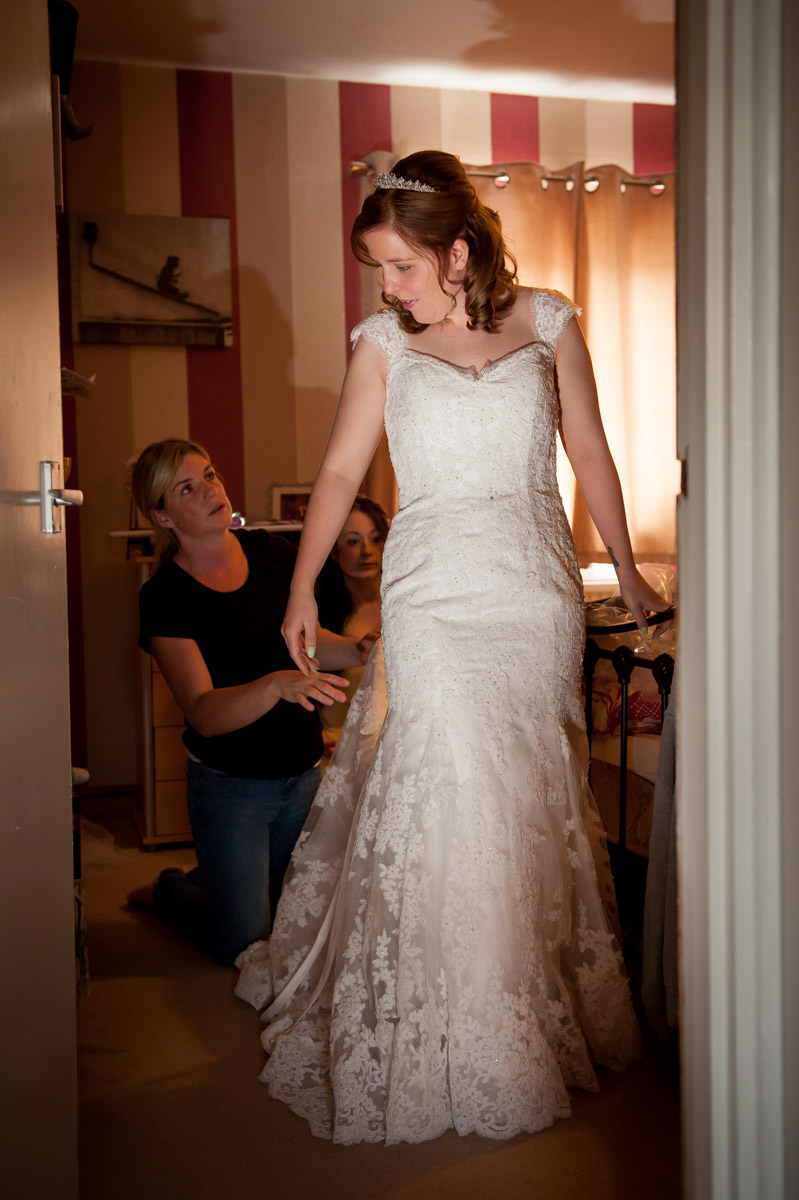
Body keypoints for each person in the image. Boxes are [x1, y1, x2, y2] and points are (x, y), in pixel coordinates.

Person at [235, 151, 671, 1144]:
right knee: (442, 781)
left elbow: (590, 450)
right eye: (378, 270)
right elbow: (342, 466)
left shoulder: (549, 320)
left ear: (456, 249)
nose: (385, 288)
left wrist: (631, 571)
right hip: (431, 594)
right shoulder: (381, 345)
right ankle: (433, 1014)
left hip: (529, 590)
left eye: (397, 266)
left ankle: (513, 1002)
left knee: (519, 793)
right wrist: (301, 583)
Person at [126, 438, 373, 967]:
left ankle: (221, 875)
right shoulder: (164, 595)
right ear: (162, 517)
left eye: (209, 474)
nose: (210, 490)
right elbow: (203, 713)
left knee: (301, 922)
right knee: (242, 943)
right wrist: (275, 684)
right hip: (230, 788)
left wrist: (355, 649)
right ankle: (171, 888)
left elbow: (311, 639)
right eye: (186, 488)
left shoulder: (271, 554)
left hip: (303, 776)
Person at [314, 495, 389, 753]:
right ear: (333, 550)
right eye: (352, 542)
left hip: (392, 750)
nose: (366, 551)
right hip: (334, 751)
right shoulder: (318, 613)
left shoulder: (405, 604)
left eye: (376, 538)